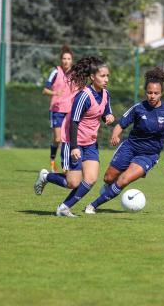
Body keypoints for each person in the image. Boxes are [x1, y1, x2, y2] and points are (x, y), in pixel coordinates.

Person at [84, 67, 164, 214]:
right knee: (109, 178)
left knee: (124, 179)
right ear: (145, 92)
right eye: (149, 92)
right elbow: (121, 124)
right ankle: (110, 190)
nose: (152, 96)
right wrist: (115, 135)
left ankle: (92, 206)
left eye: (156, 93)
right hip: (130, 147)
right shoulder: (138, 108)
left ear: (162, 93)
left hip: (149, 155)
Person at [34, 56, 114, 217]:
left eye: (107, 76)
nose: (106, 79)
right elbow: (73, 123)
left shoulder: (105, 94)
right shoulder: (83, 96)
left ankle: (63, 208)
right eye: (102, 76)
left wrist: (109, 117)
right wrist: (74, 147)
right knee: (73, 182)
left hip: (91, 143)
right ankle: (46, 176)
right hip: (73, 140)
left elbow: (105, 111)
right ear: (92, 77)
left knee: (90, 179)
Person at [42, 45, 76, 172]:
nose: (66, 61)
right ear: (61, 60)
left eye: (69, 59)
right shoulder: (56, 72)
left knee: (66, 139)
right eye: (64, 58)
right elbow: (45, 90)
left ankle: (65, 165)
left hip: (70, 111)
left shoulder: (75, 74)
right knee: (57, 139)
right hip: (56, 110)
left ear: (72, 60)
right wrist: (55, 93)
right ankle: (52, 161)